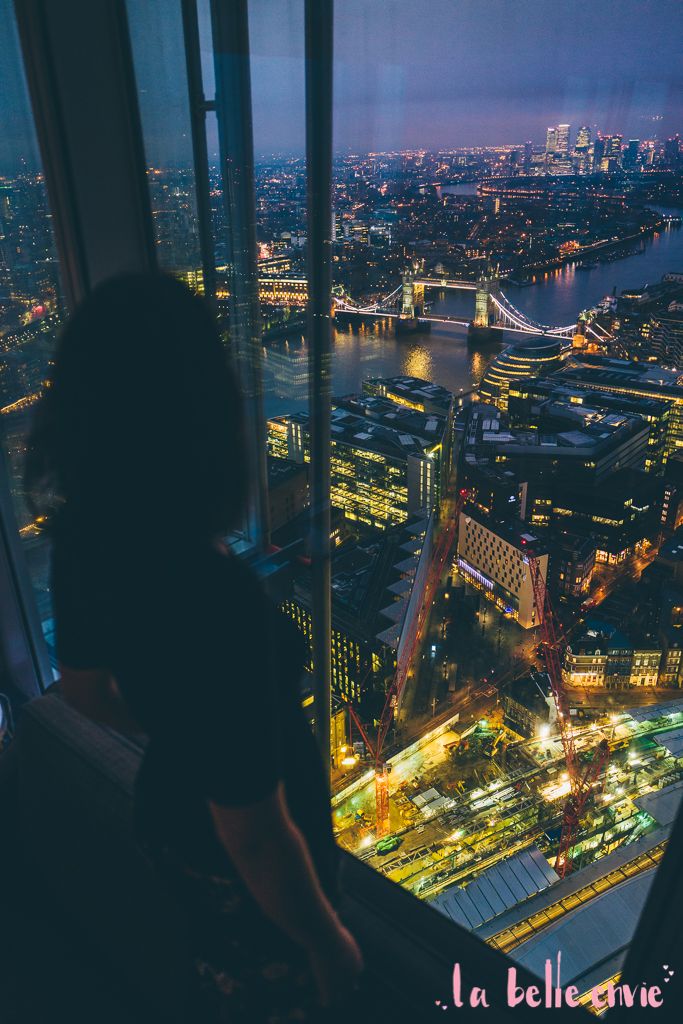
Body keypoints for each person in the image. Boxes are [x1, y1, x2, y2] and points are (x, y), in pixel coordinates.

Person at [26, 273, 363, 1022]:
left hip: (164, 820)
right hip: (241, 866)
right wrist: (327, 940)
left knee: (217, 971)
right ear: (200, 423)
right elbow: (255, 835)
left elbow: (82, 692)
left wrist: (180, 729)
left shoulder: (82, 537)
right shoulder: (217, 599)